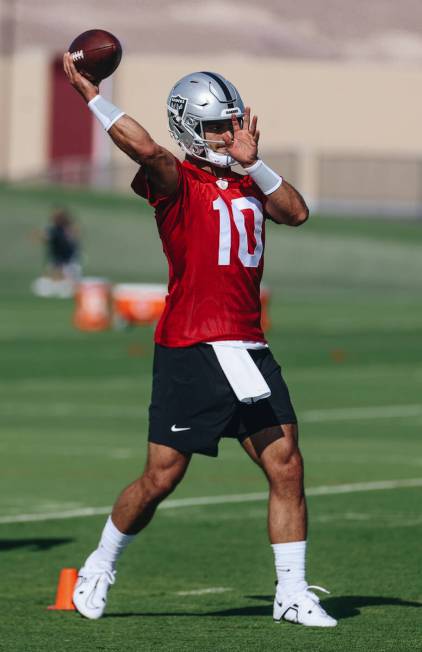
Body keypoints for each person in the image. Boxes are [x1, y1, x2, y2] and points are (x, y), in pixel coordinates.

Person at [63, 53, 337, 627]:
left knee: (286, 464)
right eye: (218, 125)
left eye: (233, 123)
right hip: (193, 347)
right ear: (189, 124)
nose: (228, 133)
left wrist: (255, 163)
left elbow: (298, 212)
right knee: (162, 477)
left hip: (249, 346)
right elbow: (145, 150)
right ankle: (102, 562)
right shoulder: (177, 183)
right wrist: (92, 94)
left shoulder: (251, 180)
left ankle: (289, 592)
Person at [32, 208, 81, 298]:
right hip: (57, 259)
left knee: (69, 283)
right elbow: (45, 237)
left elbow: (74, 236)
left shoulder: (67, 229)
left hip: (68, 260)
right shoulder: (53, 229)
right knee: (54, 278)